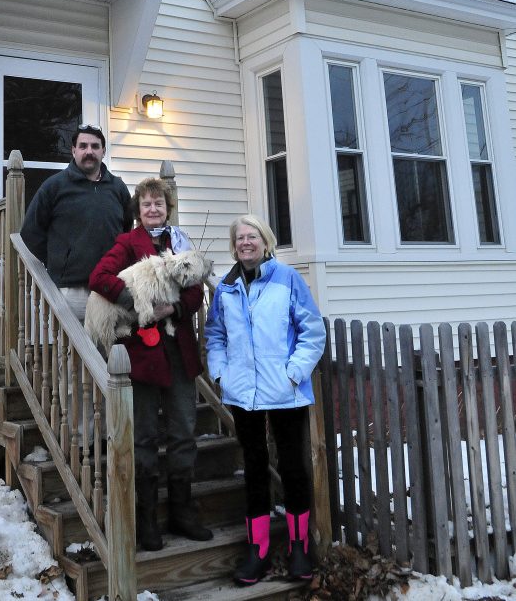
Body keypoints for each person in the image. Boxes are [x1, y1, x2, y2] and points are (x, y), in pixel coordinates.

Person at [89, 178, 213, 551]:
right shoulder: (127, 244)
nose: (154, 209)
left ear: (168, 207)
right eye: (147, 204)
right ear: (138, 211)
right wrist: (137, 304)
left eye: (159, 203)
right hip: (142, 355)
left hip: (179, 351)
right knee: (142, 435)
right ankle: (146, 519)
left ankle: (182, 511)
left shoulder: (182, 242)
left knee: (183, 430)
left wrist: (174, 308)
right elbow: (100, 279)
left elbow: (195, 287)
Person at [204, 214, 326, 585]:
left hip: (285, 392)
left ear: (265, 240)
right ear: (234, 245)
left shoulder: (287, 279)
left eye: (252, 236)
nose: (245, 242)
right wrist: (221, 372)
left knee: (292, 467)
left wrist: (295, 372)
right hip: (244, 394)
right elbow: (215, 335)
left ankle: (298, 547)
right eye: (239, 238)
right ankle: (257, 551)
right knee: (255, 467)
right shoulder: (226, 287)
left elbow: (312, 330)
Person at [20, 124, 132, 321]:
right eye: (83, 146)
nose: (89, 151)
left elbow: (126, 229)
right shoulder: (54, 186)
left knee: (109, 347)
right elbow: (30, 232)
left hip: (110, 286)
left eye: (95, 146)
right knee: (72, 349)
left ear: (103, 151)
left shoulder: (118, 188)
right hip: (71, 291)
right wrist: (58, 259)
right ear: (73, 151)